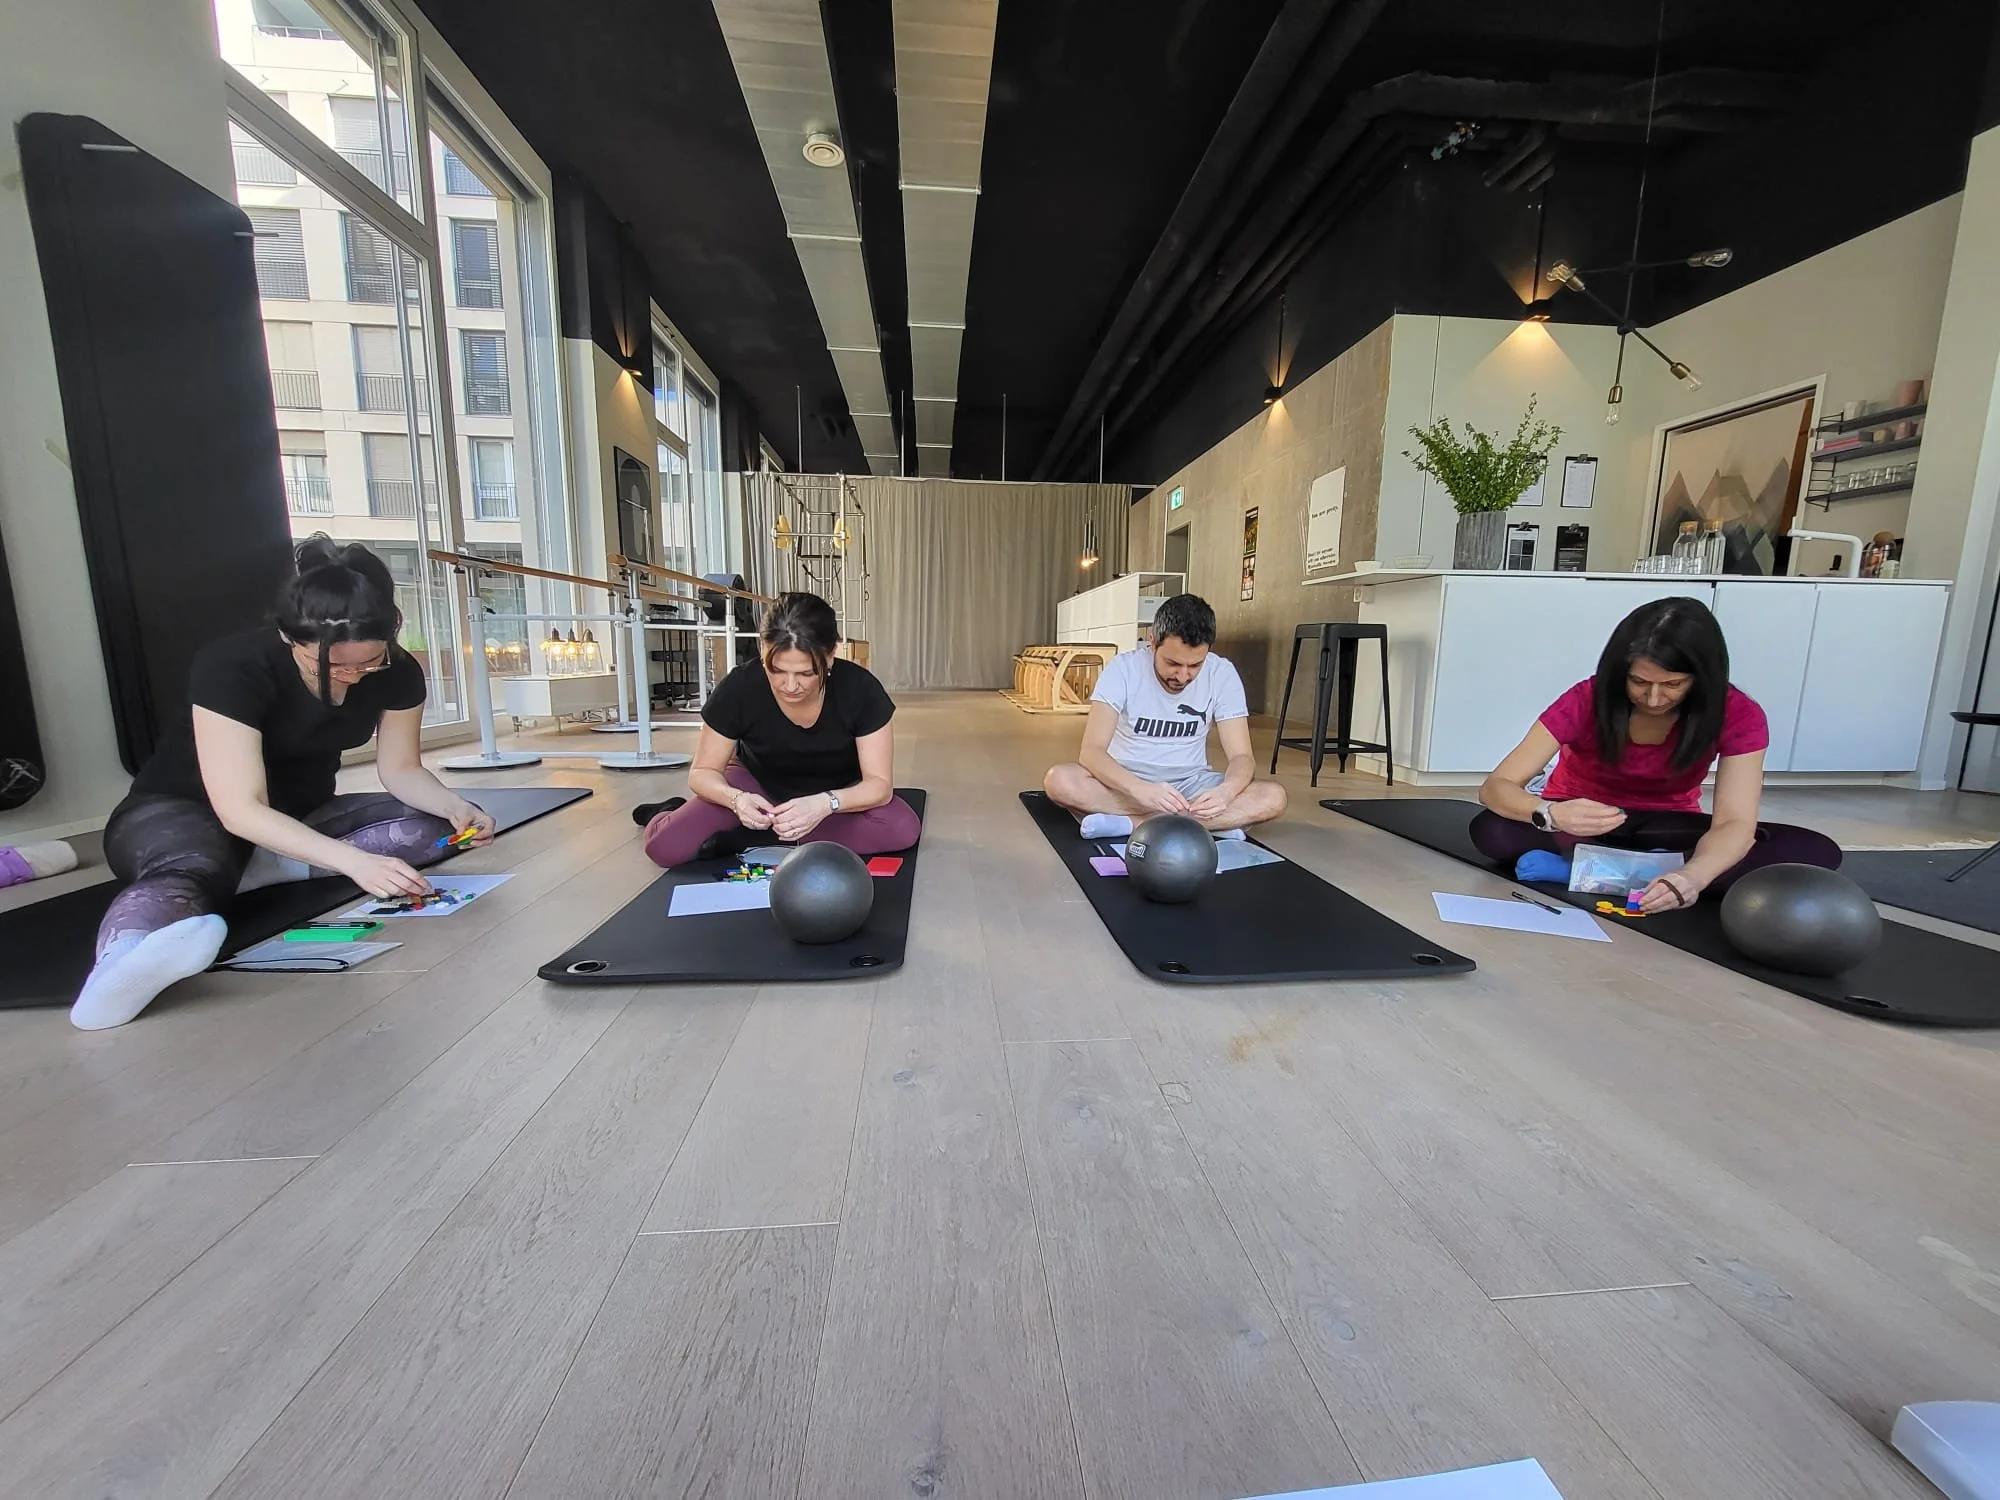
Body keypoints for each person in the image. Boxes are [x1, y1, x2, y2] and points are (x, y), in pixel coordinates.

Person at [74, 537, 494, 1031]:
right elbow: (238, 809)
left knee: (426, 829)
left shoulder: (398, 671)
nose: (355, 675)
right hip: (180, 813)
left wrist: (454, 805)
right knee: (192, 865)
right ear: (290, 637)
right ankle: (114, 975)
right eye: (334, 666)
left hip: (299, 813)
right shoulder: (233, 665)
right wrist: (352, 861)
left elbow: (400, 769)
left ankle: (259, 865)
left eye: (369, 661)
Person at [1472, 596, 1839, 912]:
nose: (1653, 698)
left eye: (1673, 684)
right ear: (1621, 671)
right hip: (1581, 825)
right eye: (1639, 682)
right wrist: (1549, 813)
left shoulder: (1738, 712)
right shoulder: (1587, 698)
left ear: (1701, 678)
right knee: (1494, 830)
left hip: (1667, 827)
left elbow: (1735, 822)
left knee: (1812, 853)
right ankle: (1638, 871)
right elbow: (1496, 787)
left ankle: (1593, 872)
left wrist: (1693, 877)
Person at [638, 591, 921, 866]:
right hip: (756, 786)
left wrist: (824, 804)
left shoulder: (860, 689)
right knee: (664, 846)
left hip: (837, 790)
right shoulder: (740, 687)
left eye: (806, 673)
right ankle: (671, 812)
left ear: (831, 654)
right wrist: (736, 800)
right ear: (762, 648)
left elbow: (879, 786)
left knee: (900, 829)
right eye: (777, 670)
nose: (789, 686)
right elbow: (702, 773)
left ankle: (754, 836)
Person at [1043, 592, 1287, 839]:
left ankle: (1131, 824)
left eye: (1195, 666)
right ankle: (1207, 825)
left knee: (1274, 797)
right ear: (1152, 643)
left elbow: (1242, 756)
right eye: (1173, 663)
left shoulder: (1222, 673)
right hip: (1126, 779)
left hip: (1191, 781)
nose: (1182, 676)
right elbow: (1092, 751)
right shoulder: (1122, 669)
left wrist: (1227, 792)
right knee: (1059, 781)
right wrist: (1140, 789)